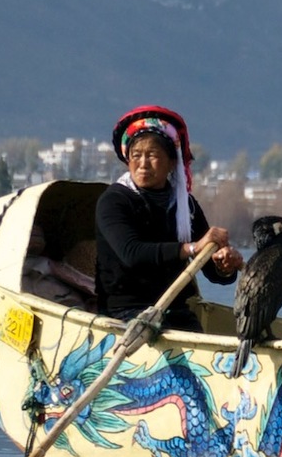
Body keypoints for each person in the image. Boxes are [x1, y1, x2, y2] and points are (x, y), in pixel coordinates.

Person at [95, 105, 242, 330]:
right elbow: (132, 253)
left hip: (175, 311)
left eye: (152, 155)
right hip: (124, 313)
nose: (143, 164)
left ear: (172, 162)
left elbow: (214, 273)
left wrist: (225, 264)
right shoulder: (114, 201)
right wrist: (193, 248)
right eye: (136, 155)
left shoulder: (185, 206)